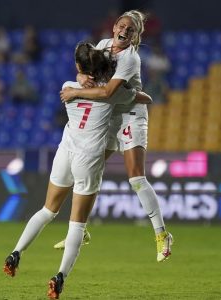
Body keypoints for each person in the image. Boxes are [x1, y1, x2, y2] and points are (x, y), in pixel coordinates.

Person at [3, 42, 152, 299]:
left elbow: (81, 84)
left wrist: (80, 82)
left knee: (47, 210)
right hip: (89, 158)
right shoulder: (110, 95)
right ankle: (59, 276)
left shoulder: (67, 88)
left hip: (66, 152)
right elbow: (144, 98)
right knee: (77, 224)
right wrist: (116, 87)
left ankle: (16, 252)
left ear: (78, 67)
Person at [59, 10, 173, 263]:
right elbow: (86, 73)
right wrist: (80, 78)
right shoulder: (101, 46)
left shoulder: (131, 59)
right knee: (92, 167)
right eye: (122, 26)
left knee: (136, 177)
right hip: (111, 114)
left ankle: (161, 234)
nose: (124, 31)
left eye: (130, 30)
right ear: (114, 27)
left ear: (134, 37)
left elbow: (109, 92)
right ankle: (79, 230)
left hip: (131, 114)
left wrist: (76, 92)